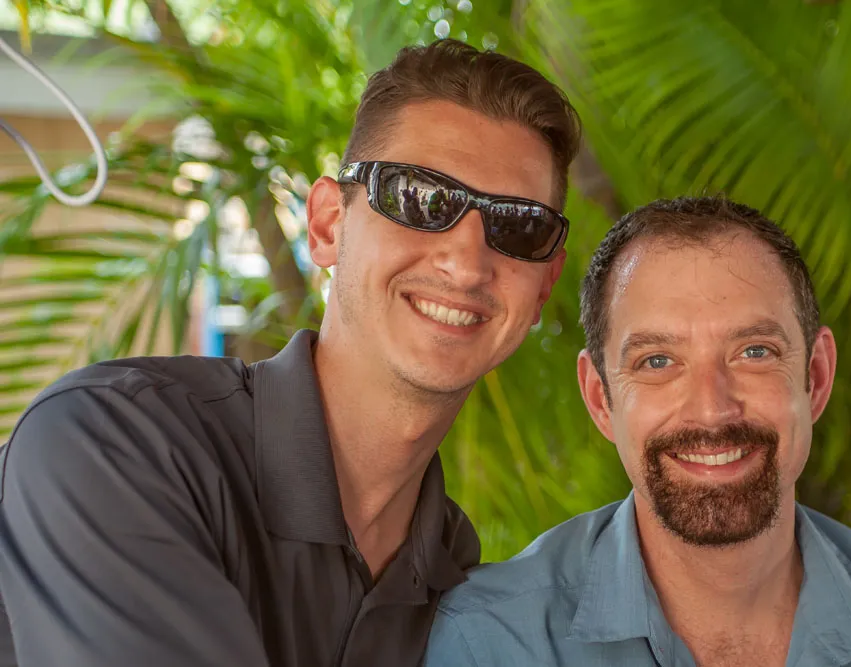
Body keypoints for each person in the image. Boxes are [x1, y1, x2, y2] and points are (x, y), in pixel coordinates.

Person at [0, 39, 580, 667]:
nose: (466, 265)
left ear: (543, 286)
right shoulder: (118, 443)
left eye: (519, 227)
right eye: (419, 199)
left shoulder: (454, 573)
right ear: (328, 224)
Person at [425, 196, 851, 666]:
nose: (711, 410)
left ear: (816, 377)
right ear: (600, 398)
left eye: (754, 351)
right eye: (657, 361)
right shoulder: (491, 643)